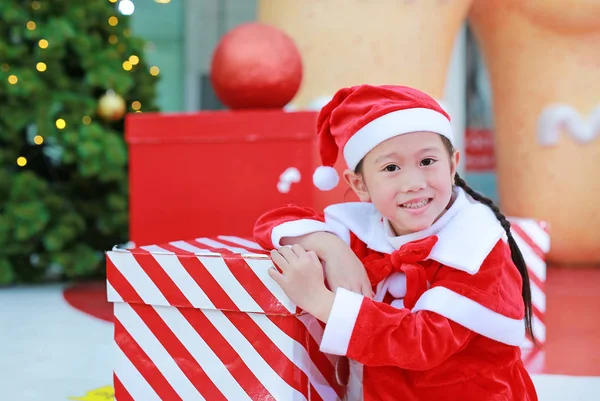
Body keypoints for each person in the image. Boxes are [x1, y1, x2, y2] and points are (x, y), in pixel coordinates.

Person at [253, 84, 539, 401]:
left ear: (453, 164)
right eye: (391, 168)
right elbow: (271, 224)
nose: (414, 183)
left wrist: (320, 301)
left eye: (428, 161)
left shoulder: (476, 245)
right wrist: (331, 248)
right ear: (359, 184)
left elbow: (422, 343)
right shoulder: (365, 229)